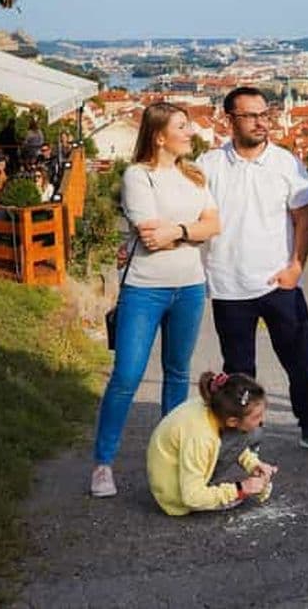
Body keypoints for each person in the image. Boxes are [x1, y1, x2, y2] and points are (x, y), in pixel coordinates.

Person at [195, 86, 308, 451]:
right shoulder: (208, 166)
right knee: (240, 370)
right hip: (229, 283)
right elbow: (190, 217)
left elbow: (303, 220)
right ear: (230, 119)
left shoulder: (286, 163)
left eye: (265, 114)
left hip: (279, 281)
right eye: (251, 115)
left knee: (301, 361)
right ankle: (246, 436)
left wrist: (295, 267)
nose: (261, 122)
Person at [91, 102, 221, 498]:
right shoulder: (137, 176)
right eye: (182, 126)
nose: (191, 132)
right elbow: (150, 235)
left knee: (178, 374)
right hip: (145, 289)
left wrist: (177, 230)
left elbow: (214, 225)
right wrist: (191, 230)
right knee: (127, 377)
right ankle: (102, 463)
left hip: (190, 287)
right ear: (160, 136)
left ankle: (170, 457)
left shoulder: (196, 176)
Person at [147, 371, 277, 516]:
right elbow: (191, 497)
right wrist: (240, 489)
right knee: (252, 433)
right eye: (256, 417)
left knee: (253, 432)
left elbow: (231, 441)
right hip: (176, 497)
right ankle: (209, 487)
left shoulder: (215, 405)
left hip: (176, 474)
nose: (261, 420)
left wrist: (252, 463)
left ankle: (210, 485)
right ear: (232, 421)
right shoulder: (201, 437)